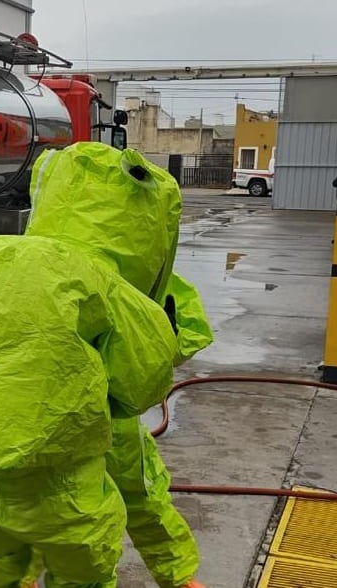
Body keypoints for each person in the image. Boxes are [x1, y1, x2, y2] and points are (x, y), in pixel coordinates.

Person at [0, 142, 197, 588]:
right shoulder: (102, 285)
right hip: (70, 503)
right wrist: (177, 572)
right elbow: (140, 390)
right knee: (80, 576)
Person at [26, 144, 213, 588]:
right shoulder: (117, 283)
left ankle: (177, 575)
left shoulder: (18, 268)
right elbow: (171, 340)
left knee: (46, 511)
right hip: (88, 416)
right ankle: (178, 575)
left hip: (62, 416)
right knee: (99, 513)